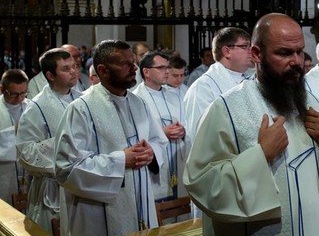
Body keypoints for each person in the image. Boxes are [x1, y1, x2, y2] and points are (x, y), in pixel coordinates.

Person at [184, 13, 319, 236]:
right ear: (256, 53)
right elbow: (202, 184)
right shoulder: (226, 109)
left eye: (299, 51)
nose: (296, 62)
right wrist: (261, 155)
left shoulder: (312, 104)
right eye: (284, 53)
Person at [54, 40, 168, 235]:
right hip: (96, 215)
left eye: (133, 61)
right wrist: (122, 160)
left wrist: (151, 152)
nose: (134, 68)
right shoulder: (81, 109)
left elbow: (159, 142)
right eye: (124, 63)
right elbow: (67, 169)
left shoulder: (138, 103)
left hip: (140, 203)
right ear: (103, 70)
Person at [16, 48, 81, 232]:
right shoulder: (37, 106)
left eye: (74, 67)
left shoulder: (82, 99)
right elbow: (25, 152)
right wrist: (64, 145)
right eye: (66, 69)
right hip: (51, 190)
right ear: (50, 75)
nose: (74, 72)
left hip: (81, 184)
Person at [133, 51, 188, 202]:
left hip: (179, 158)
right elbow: (134, 136)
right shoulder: (135, 99)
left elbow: (188, 121)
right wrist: (162, 133)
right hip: (155, 166)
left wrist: (183, 130)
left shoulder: (175, 95)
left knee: (182, 212)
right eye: (162, 68)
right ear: (146, 72)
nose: (167, 71)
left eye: (168, 67)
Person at [184, 27, 253, 142]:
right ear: (227, 52)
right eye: (245, 46)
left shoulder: (250, 79)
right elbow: (201, 137)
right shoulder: (203, 88)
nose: (251, 50)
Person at [0, 69, 31, 205]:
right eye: (14, 94)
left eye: (23, 93)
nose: (19, 98)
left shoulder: (31, 107)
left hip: (27, 171)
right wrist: (15, 131)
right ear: (2, 89)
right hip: (5, 174)